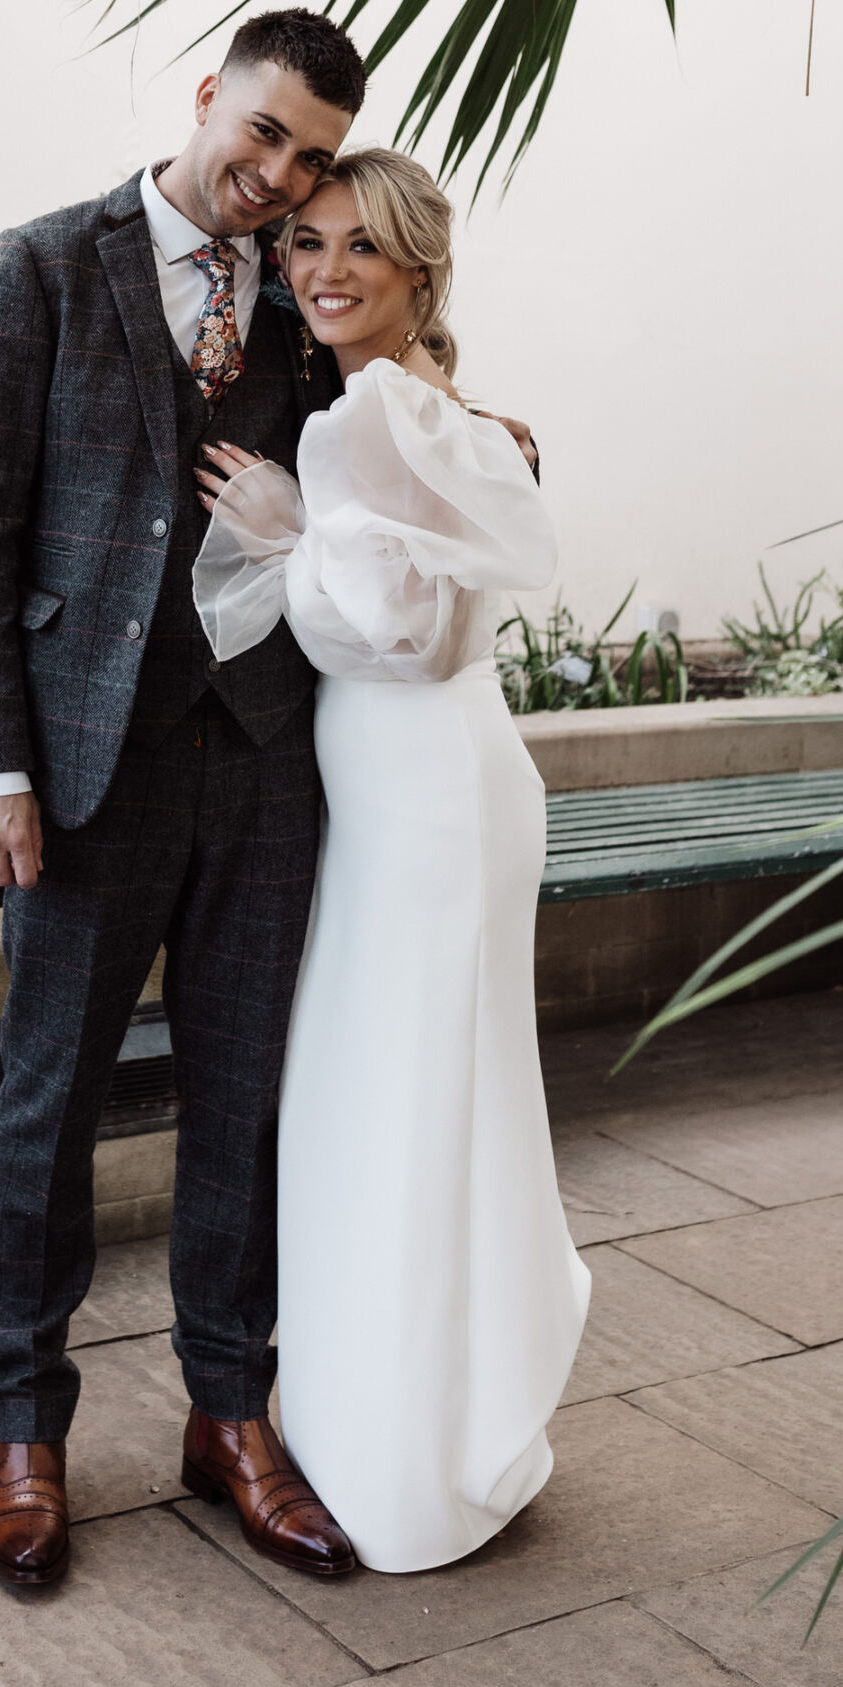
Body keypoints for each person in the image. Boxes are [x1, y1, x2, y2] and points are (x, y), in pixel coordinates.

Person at [0, 8, 368, 1594]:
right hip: (86, 762)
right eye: (263, 135)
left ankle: (230, 1414)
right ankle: (25, 1435)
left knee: (243, 1096)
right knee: (46, 1105)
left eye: (311, 156)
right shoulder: (48, 264)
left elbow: (382, 439)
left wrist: (477, 430)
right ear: (209, 98)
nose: (279, 177)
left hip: (265, 757)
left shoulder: (314, 293)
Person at [193, 147, 590, 1574]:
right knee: (414, 1093)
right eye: (303, 245)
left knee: (404, 1099)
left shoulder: (375, 425)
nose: (324, 271)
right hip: (425, 787)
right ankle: (430, 1414)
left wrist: (290, 537)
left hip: (423, 786)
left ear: (421, 263)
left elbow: (414, 641)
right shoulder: (431, 412)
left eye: (360, 245)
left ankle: (405, 1453)